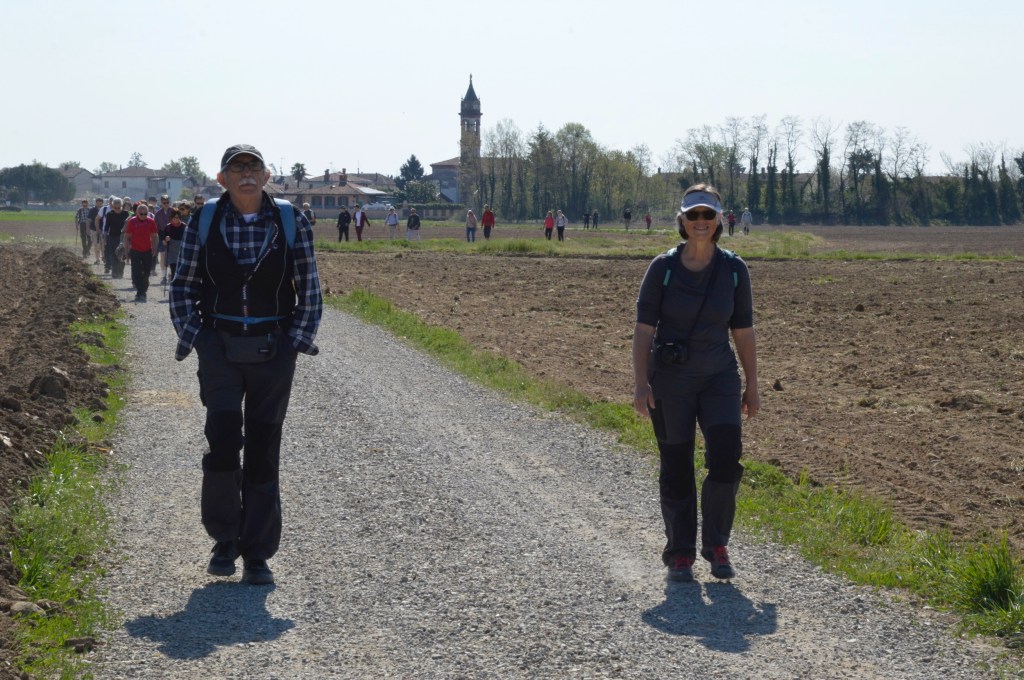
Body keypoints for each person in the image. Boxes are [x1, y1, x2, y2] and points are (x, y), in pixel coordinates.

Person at [170, 143, 323, 586]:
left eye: (253, 167)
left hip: (273, 349)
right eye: (236, 168)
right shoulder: (205, 219)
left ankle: (257, 553)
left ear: (267, 175)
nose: (246, 174)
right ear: (222, 179)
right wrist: (198, 337)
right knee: (222, 440)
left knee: (263, 447)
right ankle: (224, 540)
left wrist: (294, 342)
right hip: (219, 346)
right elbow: (182, 286)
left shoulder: (291, 221)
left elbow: (310, 288)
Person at [631, 183, 759, 583]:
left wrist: (753, 383)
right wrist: (640, 383)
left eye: (707, 214)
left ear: (719, 219)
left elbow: (743, 330)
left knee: (725, 461)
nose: (700, 221)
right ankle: (681, 553)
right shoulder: (663, 269)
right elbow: (643, 329)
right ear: (682, 221)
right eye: (693, 215)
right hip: (671, 382)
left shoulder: (734, 270)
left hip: (719, 379)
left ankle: (717, 545)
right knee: (676, 466)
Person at [123, 202, 159, 302]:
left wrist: (155, 248)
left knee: (146, 273)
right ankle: (140, 292)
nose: (143, 215)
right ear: (137, 213)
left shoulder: (151, 221)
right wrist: (126, 252)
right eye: (141, 214)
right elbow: (126, 237)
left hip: (147, 250)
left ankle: (143, 289)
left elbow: (155, 236)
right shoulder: (132, 221)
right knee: (136, 272)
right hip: (135, 250)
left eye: (145, 214)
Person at [103, 198, 130, 279]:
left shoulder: (126, 214)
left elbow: (129, 226)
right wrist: (104, 238)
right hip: (112, 237)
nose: (117, 209)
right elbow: (106, 227)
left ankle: (120, 271)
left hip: (123, 237)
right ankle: (114, 272)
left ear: (122, 206)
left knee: (122, 254)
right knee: (113, 254)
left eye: (119, 207)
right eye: (115, 207)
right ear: (112, 206)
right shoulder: (109, 214)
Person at [154, 195, 174, 283]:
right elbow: (156, 228)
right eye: (164, 202)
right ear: (161, 203)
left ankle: (171, 274)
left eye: (167, 202)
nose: (166, 204)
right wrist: (162, 239)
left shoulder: (174, 212)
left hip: (173, 236)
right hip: (162, 236)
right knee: (162, 256)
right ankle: (164, 276)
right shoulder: (158, 214)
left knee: (172, 256)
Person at [164, 208, 186, 282]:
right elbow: (164, 241)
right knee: (173, 269)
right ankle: (173, 283)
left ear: (180, 217)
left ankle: (178, 283)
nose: (175, 219)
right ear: (171, 217)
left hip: (181, 252)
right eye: (174, 217)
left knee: (180, 270)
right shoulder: (168, 227)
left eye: (177, 217)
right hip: (171, 252)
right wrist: (166, 239)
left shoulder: (184, 226)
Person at [87, 197, 104, 264]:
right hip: (93, 230)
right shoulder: (92, 210)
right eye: (97, 203)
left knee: (103, 245)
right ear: (96, 203)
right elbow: (89, 220)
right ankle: (97, 259)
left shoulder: (104, 209)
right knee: (96, 245)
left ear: (102, 203)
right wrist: (87, 229)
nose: (99, 204)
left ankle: (103, 258)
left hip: (103, 230)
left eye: (100, 203)